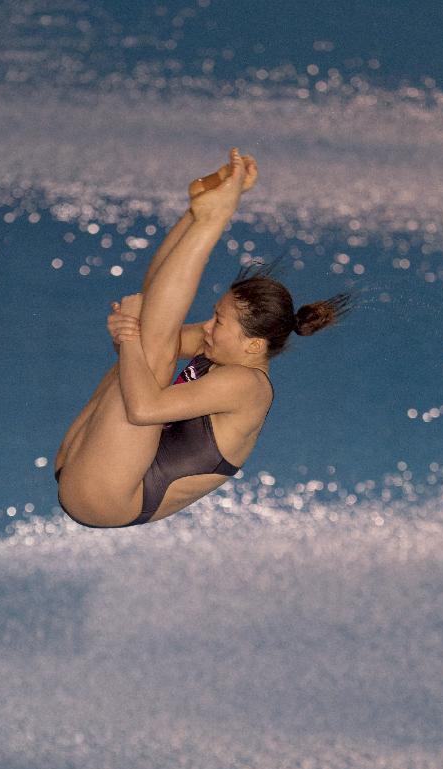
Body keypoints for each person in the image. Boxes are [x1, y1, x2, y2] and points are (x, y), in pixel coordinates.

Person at [54, 148, 353, 528]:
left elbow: (143, 408)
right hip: (88, 468)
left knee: (149, 346)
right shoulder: (226, 349)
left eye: (218, 322)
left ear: (253, 345)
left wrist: (129, 337)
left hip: (106, 498)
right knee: (152, 335)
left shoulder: (247, 385)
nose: (207, 327)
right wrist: (131, 330)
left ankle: (213, 219)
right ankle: (202, 214)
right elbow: (156, 327)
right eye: (214, 315)